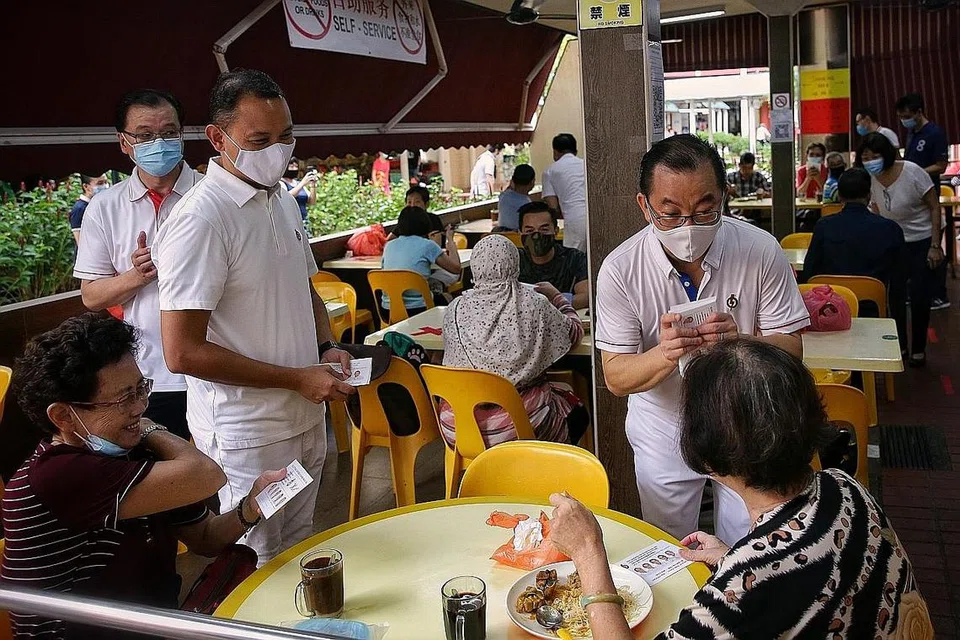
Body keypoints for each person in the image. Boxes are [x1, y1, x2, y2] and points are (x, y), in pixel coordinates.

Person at [548, 339, 930, 640]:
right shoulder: (845, 486)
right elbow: (811, 573)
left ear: (709, 458)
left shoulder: (742, 589)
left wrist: (588, 554)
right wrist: (735, 555)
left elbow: (768, 582)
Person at [154, 69, 356, 566]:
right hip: (250, 438)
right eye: (260, 140)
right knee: (256, 560)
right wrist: (294, 378)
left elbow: (303, 286)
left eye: (286, 136)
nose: (278, 151)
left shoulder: (281, 198)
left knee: (299, 548)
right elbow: (181, 352)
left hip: (305, 421)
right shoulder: (203, 218)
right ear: (218, 138)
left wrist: (326, 346)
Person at [2, 314, 287, 640]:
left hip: (151, 626)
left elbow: (206, 538)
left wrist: (249, 509)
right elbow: (207, 475)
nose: (140, 406)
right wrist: (149, 428)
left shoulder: (132, 456)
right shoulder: (57, 475)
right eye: (123, 398)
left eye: (141, 388)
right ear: (64, 416)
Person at [595, 134, 810, 546]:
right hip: (663, 426)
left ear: (724, 197)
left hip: (745, 420)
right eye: (670, 214)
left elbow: (792, 348)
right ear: (645, 206)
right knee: (670, 545)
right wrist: (665, 354)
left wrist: (742, 343)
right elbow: (616, 377)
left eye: (705, 210)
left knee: (749, 541)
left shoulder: (760, 249)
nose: (688, 227)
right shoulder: (621, 270)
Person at [74, 89, 201, 442]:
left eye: (169, 133)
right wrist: (135, 277)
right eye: (145, 135)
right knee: (167, 481)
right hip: (148, 376)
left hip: (217, 364)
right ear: (124, 142)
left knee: (226, 478)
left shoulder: (213, 197)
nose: (158, 143)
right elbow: (91, 296)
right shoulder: (105, 207)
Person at [439, 235, 587, 447]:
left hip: (458, 427)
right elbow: (573, 334)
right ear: (514, 262)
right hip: (516, 428)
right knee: (575, 411)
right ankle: (545, 471)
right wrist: (558, 298)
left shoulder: (455, 308)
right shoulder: (535, 303)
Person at [857, 132, 943, 367]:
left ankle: (918, 349)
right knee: (894, 296)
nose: (870, 161)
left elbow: (935, 207)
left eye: (875, 156)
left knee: (919, 296)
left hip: (921, 239)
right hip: (892, 242)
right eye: (866, 157)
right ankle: (900, 346)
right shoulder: (870, 177)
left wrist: (935, 245)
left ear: (887, 155)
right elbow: (875, 209)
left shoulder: (913, 172)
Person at [802, 168, 905, 292]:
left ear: (840, 196)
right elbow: (900, 275)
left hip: (833, 301)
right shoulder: (890, 228)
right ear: (869, 195)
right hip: (873, 301)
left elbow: (810, 268)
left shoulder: (824, 226)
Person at [896, 92, 950, 311]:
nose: (904, 120)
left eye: (907, 115)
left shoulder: (934, 133)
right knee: (916, 255)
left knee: (932, 247)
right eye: (900, 116)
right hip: (911, 198)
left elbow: (941, 165)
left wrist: (916, 173)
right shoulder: (912, 133)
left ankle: (939, 294)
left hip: (928, 193)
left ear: (919, 112)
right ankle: (919, 291)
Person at [380, 206, 462, 317]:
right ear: (426, 224)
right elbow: (456, 269)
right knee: (448, 298)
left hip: (388, 309)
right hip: (419, 309)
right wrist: (450, 240)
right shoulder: (427, 245)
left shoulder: (389, 245)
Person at [517, 202, 589, 310]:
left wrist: (554, 299)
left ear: (556, 231)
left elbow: (586, 296)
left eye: (544, 229)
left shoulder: (574, 258)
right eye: (529, 231)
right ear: (520, 233)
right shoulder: (514, 260)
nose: (536, 236)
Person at [542, 134, 588, 253]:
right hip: (598, 216)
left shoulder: (550, 171)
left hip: (574, 221)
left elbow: (553, 206)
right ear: (575, 151)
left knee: (573, 260)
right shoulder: (586, 165)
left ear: (555, 152)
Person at [69, 174, 109, 244]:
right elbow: (81, 241)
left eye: (106, 182)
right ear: (86, 187)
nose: (105, 186)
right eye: (100, 183)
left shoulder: (99, 204)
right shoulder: (80, 209)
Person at [496, 163, 535, 231]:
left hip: (503, 235)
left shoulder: (503, 196)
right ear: (532, 182)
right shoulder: (526, 203)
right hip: (517, 237)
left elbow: (509, 187)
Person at [281, 156, 317, 228]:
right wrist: (302, 183)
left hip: (303, 221)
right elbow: (286, 197)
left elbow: (312, 201)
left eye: (296, 166)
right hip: (289, 223)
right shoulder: (281, 183)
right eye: (291, 166)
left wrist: (313, 186)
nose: (294, 169)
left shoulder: (297, 183)